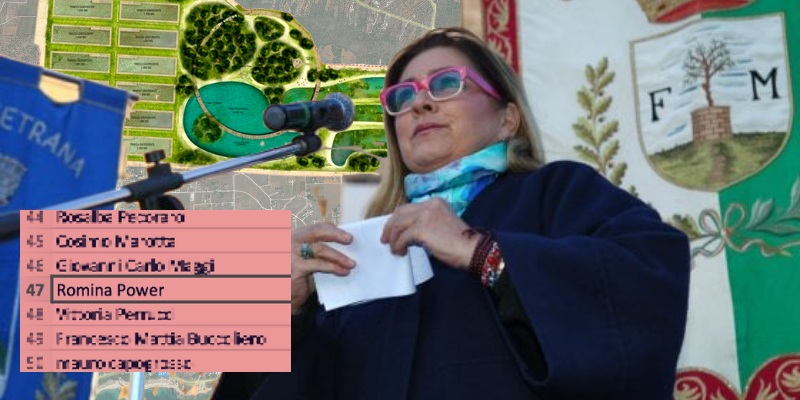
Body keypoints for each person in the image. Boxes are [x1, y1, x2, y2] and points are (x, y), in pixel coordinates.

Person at [250, 27, 690, 399]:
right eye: (403, 96)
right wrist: (285, 313)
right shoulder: (363, 250)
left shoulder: (556, 192)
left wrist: (480, 252)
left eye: (446, 84)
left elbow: (649, 276)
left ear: (507, 119)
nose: (420, 104)